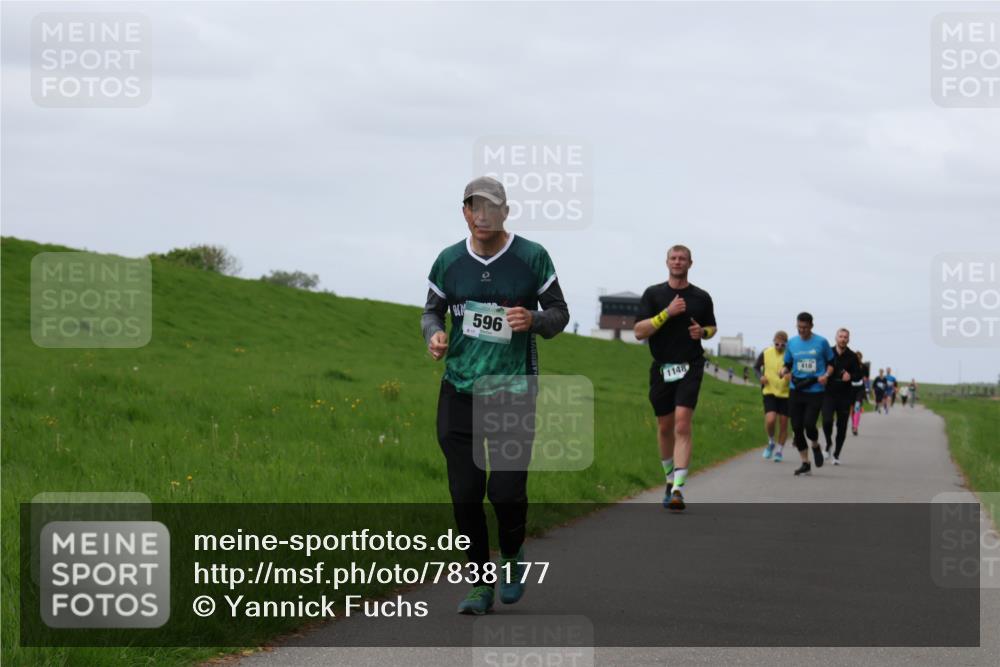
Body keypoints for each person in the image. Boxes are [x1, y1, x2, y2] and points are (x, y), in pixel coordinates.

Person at [422, 176, 569, 615]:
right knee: (465, 493)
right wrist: (434, 335)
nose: (482, 215)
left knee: (505, 492)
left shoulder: (531, 257)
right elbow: (432, 311)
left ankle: (512, 553)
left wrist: (534, 319)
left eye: (491, 207)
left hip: (513, 390)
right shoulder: (449, 261)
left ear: (506, 212)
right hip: (459, 390)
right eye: (474, 207)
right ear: (465, 213)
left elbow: (560, 314)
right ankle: (479, 584)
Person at [634, 245, 717, 512]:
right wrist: (666, 313)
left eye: (682, 259)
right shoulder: (653, 294)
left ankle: (679, 489)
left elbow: (712, 327)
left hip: (691, 365)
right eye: (674, 258)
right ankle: (669, 481)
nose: (678, 262)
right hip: (662, 368)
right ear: (667, 262)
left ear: (690, 263)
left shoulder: (701, 297)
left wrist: (702, 332)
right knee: (665, 427)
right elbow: (639, 331)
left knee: (682, 424)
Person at [779, 312, 834, 477]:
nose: (801, 330)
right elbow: (788, 363)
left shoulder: (821, 342)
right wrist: (783, 370)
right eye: (799, 327)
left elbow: (831, 363)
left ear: (811, 326)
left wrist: (826, 375)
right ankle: (805, 463)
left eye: (805, 327)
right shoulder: (792, 343)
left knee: (809, 425)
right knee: (796, 428)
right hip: (796, 389)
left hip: (815, 390)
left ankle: (815, 445)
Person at [822, 328, 862, 464]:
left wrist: (850, 376)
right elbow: (821, 368)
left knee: (842, 426)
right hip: (828, 393)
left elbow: (859, 375)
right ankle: (828, 443)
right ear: (836, 338)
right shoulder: (828, 352)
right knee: (827, 421)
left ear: (848, 339)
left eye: (845, 337)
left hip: (845, 395)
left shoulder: (852, 356)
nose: (843, 339)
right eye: (841, 336)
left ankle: (836, 455)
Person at [754, 331, 791, 462]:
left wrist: (790, 376)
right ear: (773, 342)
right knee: (770, 420)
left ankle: (779, 451)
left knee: (783, 423)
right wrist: (760, 377)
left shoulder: (790, 355)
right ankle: (771, 442)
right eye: (777, 344)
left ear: (786, 344)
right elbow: (756, 367)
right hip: (769, 391)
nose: (779, 347)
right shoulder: (766, 352)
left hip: (786, 393)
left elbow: (796, 371)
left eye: (782, 345)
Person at [851, 351, 869, 436]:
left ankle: (855, 427)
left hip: (860, 389)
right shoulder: (850, 366)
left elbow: (866, 377)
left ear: (861, 358)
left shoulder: (864, 367)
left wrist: (865, 378)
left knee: (857, 407)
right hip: (851, 389)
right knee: (852, 409)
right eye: (856, 357)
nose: (858, 359)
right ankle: (853, 424)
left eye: (859, 357)